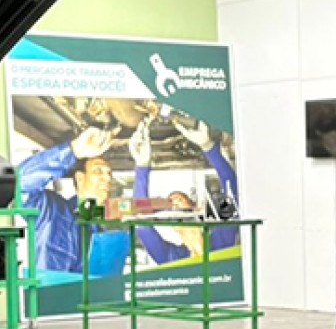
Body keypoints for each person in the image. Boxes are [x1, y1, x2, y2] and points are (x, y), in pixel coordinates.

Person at [17, 125, 131, 283]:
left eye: (109, 174)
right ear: (79, 178)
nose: (107, 179)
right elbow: (20, 184)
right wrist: (74, 150)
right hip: (53, 303)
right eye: (98, 172)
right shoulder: (50, 211)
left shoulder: (106, 226)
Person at [127, 115, 241, 265]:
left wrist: (208, 146)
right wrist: (142, 165)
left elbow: (231, 191)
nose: (175, 203)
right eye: (171, 204)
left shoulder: (222, 240)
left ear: (197, 209)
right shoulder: (171, 257)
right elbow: (141, 222)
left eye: (181, 200)